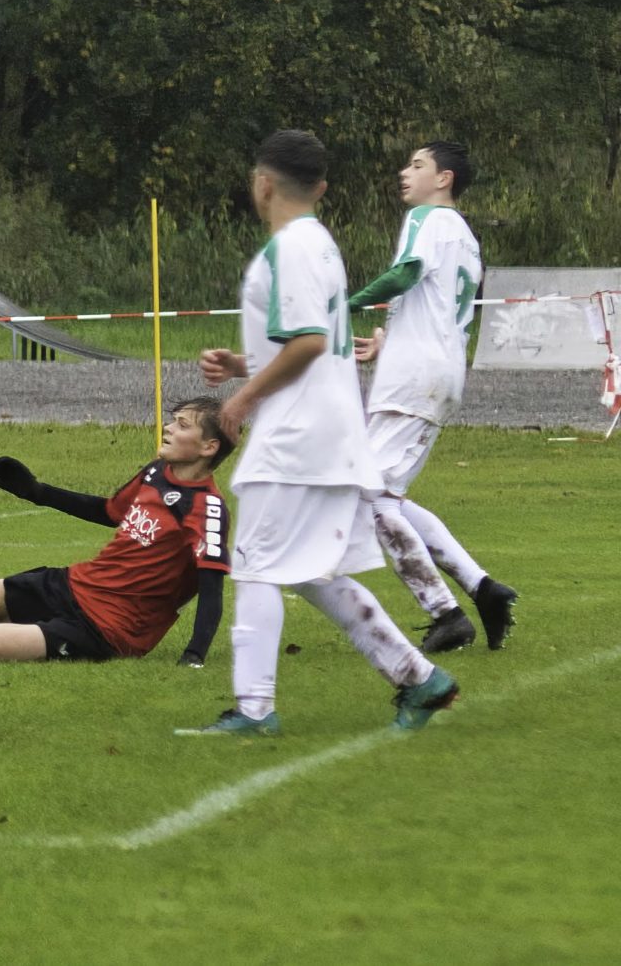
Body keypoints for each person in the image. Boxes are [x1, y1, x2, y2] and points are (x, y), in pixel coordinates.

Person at [182, 129, 457, 737]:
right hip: (328, 430)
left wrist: (242, 399)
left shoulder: (292, 248)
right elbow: (317, 342)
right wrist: (244, 365)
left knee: (255, 566)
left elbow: (308, 341)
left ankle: (254, 710)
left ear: (263, 184)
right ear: (322, 187)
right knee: (307, 571)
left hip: (297, 436)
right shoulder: (321, 245)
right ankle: (420, 678)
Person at [349, 141, 518, 652]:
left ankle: (445, 612)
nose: (405, 172)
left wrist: (339, 307)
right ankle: (483, 589)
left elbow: (406, 273)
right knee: (386, 496)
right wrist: (388, 339)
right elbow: (435, 304)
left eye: (417, 164)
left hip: (415, 377)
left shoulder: (426, 217)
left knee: (369, 497)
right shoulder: (464, 235)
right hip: (436, 371)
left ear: (443, 178)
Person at [0, 399, 230, 664]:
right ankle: (39, 631)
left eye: (182, 425)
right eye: (173, 420)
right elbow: (109, 511)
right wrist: (37, 492)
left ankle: (48, 635)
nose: (168, 428)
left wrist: (194, 654)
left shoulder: (207, 509)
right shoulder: (157, 472)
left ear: (209, 447)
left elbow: (212, 587)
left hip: (108, 625)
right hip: (76, 584)